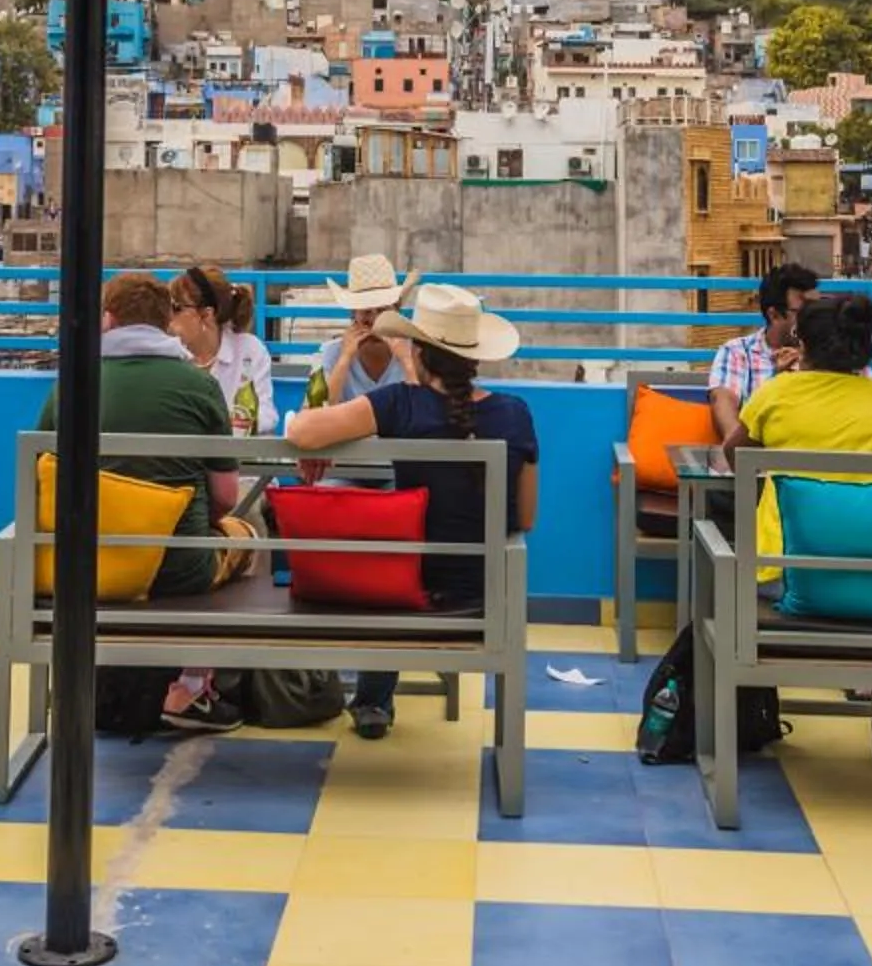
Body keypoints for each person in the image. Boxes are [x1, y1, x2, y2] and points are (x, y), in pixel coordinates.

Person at [285, 283, 538, 742]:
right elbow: (526, 519)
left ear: (418, 351)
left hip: (406, 595)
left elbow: (302, 429)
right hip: (485, 599)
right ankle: (371, 701)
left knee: (378, 553)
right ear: (475, 357)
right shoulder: (516, 414)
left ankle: (359, 698)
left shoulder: (400, 403)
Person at [38, 272, 257, 732]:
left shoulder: (72, 384)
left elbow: (43, 476)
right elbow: (225, 497)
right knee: (248, 534)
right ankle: (197, 689)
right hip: (175, 571)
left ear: (109, 319)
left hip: (81, 567)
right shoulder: (199, 385)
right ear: (165, 324)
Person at [737, 293, 872, 767]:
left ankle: (758, 715)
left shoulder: (776, 394)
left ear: (804, 344)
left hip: (784, 574)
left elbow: (732, 455)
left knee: (724, 557)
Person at [712, 263, 817, 446]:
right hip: (757, 464)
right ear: (774, 315)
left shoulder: (830, 354)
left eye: (817, 309)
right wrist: (776, 382)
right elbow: (725, 408)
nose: (815, 317)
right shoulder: (737, 353)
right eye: (804, 311)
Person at [171, 266, 276, 435]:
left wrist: (225, 426)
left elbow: (266, 416)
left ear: (207, 314)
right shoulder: (169, 354)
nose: (168, 315)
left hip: (236, 455)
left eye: (176, 307)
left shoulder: (250, 350)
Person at [308, 254, 415, 403]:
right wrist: (344, 360)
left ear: (397, 311)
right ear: (354, 315)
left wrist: (406, 361)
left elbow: (426, 411)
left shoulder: (416, 352)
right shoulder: (330, 353)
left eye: (383, 311)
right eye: (366, 312)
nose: (375, 320)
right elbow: (315, 410)